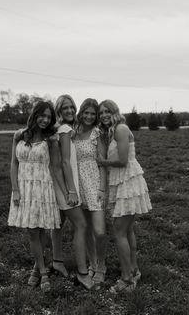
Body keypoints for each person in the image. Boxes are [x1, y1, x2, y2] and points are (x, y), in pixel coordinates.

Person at [8, 99, 62, 292]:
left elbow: (56, 167)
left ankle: (37, 267)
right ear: (35, 115)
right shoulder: (19, 135)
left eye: (49, 117)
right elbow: (14, 163)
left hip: (43, 187)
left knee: (40, 230)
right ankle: (42, 270)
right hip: (24, 187)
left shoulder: (51, 139)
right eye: (43, 115)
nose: (46, 120)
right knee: (32, 231)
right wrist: (15, 189)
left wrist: (64, 191)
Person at [98, 100, 152, 293]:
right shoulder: (114, 130)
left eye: (107, 111)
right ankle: (134, 270)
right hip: (122, 182)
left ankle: (126, 279)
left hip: (127, 182)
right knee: (127, 230)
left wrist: (101, 162)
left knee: (119, 231)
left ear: (114, 111)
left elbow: (121, 160)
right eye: (101, 112)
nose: (103, 115)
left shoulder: (120, 128)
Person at [51, 94, 94, 290]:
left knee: (58, 224)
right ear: (58, 110)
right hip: (68, 188)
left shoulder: (59, 129)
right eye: (65, 108)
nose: (69, 111)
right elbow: (65, 162)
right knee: (81, 225)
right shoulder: (65, 130)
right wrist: (72, 190)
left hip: (59, 185)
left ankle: (56, 261)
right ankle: (83, 273)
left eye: (71, 107)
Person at [74, 98, 107, 285]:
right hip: (79, 186)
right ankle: (93, 264)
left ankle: (101, 264)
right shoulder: (74, 132)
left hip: (94, 184)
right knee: (85, 229)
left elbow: (102, 164)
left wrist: (102, 188)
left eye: (92, 114)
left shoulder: (97, 133)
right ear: (81, 112)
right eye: (86, 112)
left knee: (100, 231)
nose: (89, 116)